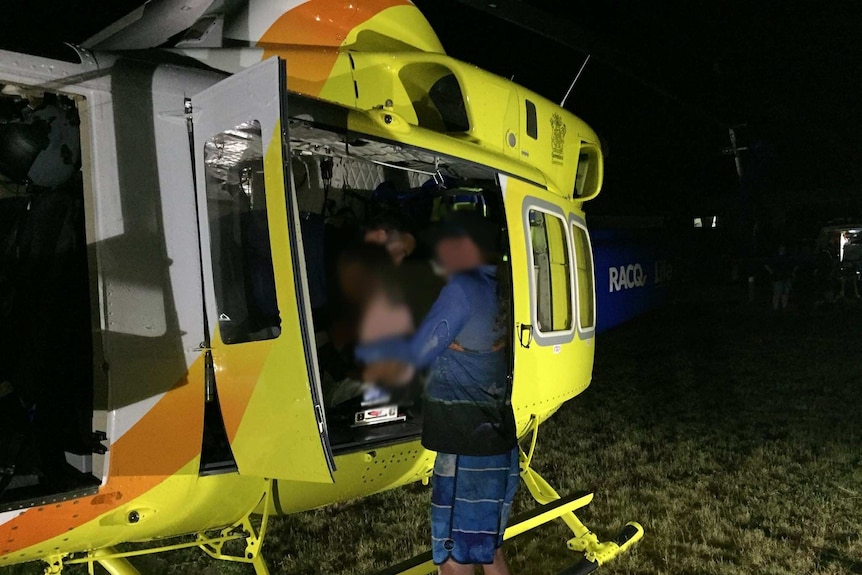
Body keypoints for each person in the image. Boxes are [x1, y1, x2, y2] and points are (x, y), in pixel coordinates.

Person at [356, 211, 518, 575]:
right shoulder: (501, 284)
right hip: (496, 443)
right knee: (486, 550)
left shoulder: (461, 291)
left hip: (466, 449)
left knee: (452, 559)